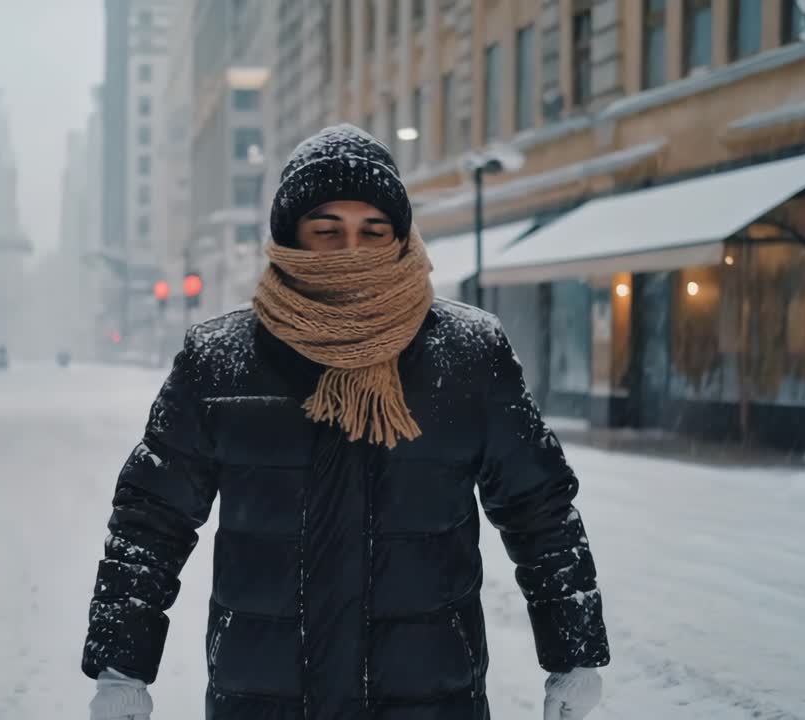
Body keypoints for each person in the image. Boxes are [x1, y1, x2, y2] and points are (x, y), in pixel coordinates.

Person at [82, 125, 609, 720]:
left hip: (428, 699)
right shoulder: (222, 361)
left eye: (373, 231)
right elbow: (152, 521)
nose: (351, 250)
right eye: (327, 230)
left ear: (399, 237)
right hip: (263, 699)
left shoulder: (468, 356)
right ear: (292, 236)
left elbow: (540, 510)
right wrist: (120, 667)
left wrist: (574, 653)